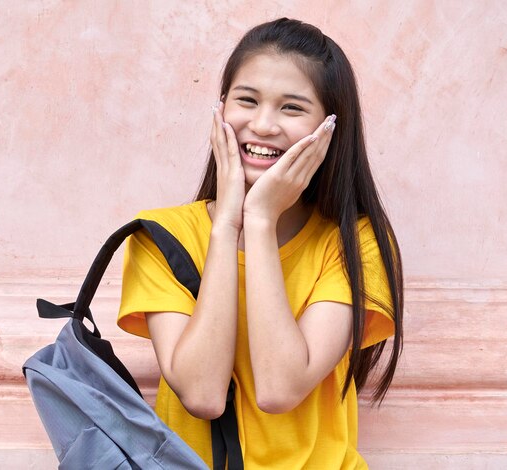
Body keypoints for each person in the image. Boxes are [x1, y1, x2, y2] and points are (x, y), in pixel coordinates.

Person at [118, 18, 404, 469]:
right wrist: (227, 224)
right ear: (221, 109)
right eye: (246, 100)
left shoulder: (356, 242)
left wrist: (261, 219)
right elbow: (202, 394)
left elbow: (278, 388)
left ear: (330, 128)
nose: (263, 124)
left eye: (292, 108)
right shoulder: (160, 237)